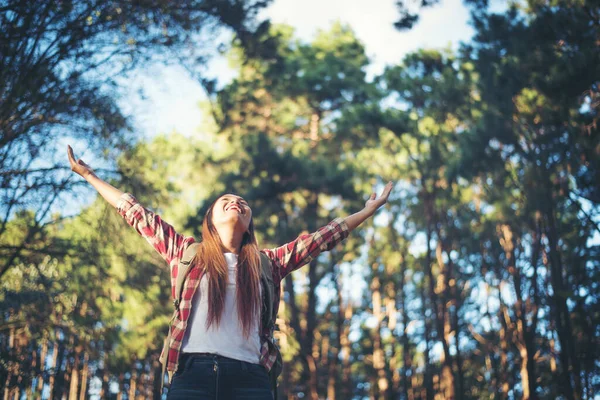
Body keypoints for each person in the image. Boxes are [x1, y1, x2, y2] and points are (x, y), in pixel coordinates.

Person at [67, 144, 393, 399]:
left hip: (250, 380)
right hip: (191, 375)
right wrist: (89, 176)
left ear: (249, 223)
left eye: (242, 202)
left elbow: (321, 239)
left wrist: (367, 211)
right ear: (210, 219)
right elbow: (136, 213)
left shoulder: (268, 264)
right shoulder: (187, 253)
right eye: (227, 200)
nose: (237, 202)